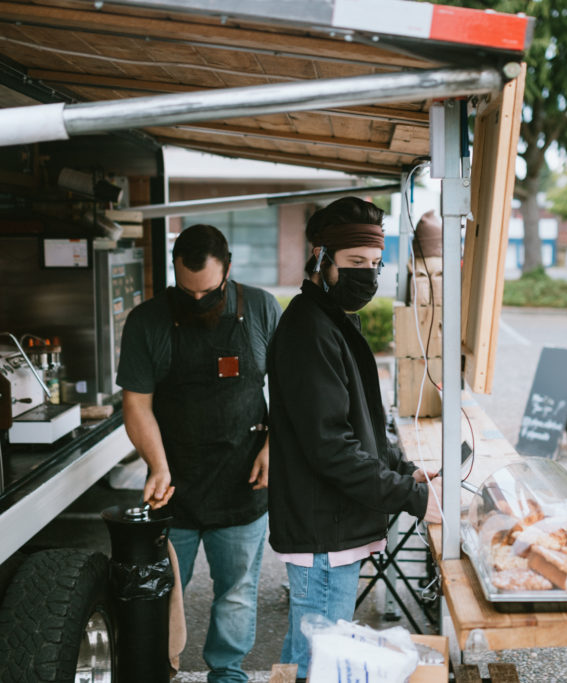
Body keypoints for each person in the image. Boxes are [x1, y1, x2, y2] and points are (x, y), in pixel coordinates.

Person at [266, 197, 443, 678]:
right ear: (322, 260)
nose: (368, 274)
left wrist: (404, 471)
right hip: (324, 531)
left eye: (374, 263)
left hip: (333, 524)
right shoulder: (308, 330)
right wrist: (410, 495)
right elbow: (331, 447)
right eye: (355, 263)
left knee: (308, 652)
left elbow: (361, 424)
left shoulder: (332, 322)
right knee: (317, 663)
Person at [117, 224, 281, 683]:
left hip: (243, 478)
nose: (197, 301)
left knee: (236, 592)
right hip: (174, 486)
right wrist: (158, 464)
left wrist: (273, 446)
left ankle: (227, 674)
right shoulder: (147, 320)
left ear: (228, 270)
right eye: (186, 292)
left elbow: (291, 389)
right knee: (163, 591)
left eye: (207, 292)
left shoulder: (262, 308)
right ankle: (158, 670)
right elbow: (137, 404)